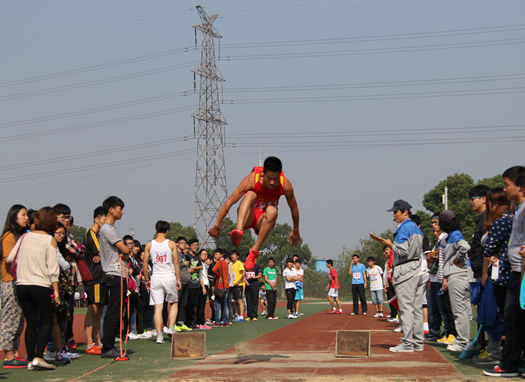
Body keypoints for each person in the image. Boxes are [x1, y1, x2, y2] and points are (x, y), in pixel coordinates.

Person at [208, 156, 301, 269]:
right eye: (269, 178)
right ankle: (239, 230)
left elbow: (294, 207)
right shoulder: (251, 179)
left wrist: (296, 229)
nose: (272, 182)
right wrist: (217, 225)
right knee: (251, 194)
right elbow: (230, 201)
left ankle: (254, 251)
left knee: (272, 210)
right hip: (248, 216)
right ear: (262, 175)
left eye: (275, 179)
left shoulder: (285, 184)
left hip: (263, 222)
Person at [484, 166, 525, 377]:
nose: (505, 189)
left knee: (513, 319)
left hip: (520, 272)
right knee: (512, 319)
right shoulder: (519, 210)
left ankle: (510, 364)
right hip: (515, 270)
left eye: (507, 185)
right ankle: (512, 361)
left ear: (520, 186)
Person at [7, 207, 60, 370]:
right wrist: (56, 290)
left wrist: (16, 273)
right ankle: (39, 356)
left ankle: (30, 360)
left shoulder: (25, 237)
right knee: (46, 321)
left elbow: (9, 259)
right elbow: (53, 269)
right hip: (41, 285)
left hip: (22, 285)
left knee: (30, 323)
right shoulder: (50, 240)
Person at [371, 200, 425, 353]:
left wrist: (389, 244)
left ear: (405, 212)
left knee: (406, 308)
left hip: (405, 269)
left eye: (396, 212)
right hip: (417, 268)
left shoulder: (404, 228)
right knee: (416, 308)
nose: (394, 215)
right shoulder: (415, 227)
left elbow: (402, 251)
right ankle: (418, 342)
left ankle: (408, 343)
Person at [475, 188, 512, 365]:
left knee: (495, 314)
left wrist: (484, 274)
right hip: (506, 273)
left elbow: (488, 251)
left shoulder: (501, 222)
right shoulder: (511, 219)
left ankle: (497, 353)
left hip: (500, 275)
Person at [99, 196, 131, 359]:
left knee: (117, 311)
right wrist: (125, 250)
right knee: (114, 311)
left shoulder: (111, 229)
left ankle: (109, 345)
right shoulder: (107, 229)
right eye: (120, 208)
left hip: (118, 274)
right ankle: (107, 347)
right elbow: (125, 250)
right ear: (111, 209)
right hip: (114, 273)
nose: (122, 211)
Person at [142, 220, 182, 344]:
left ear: (155, 230)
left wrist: (147, 278)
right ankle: (170, 328)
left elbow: (144, 263)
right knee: (174, 303)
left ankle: (159, 335)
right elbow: (176, 262)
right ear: (167, 231)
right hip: (169, 276)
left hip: (156, 277)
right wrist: (178, 278)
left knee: (158, 307)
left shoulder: (149, 244)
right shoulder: (171, 244)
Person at [0, 205, 29, 369]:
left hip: (20, 282)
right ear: (14, 217)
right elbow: (10, 259)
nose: (27, 218)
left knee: (18, 320)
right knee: (10, 320)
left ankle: (15, 353)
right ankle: (8, 355)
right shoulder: (8, 236)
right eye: (23, 215)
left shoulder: (21, 235)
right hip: (10, 282)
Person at [439, 210, 472, 353]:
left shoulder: (455, 235)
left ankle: (462, 341)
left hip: (457, 275)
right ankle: (463, 339)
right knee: (461, 310)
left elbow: (465, 247)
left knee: (459, 311)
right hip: (457, 275)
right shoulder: (452, 235)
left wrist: (457, 258)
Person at [83, 206, 107, 355]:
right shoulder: (91, 234)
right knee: (93, 310)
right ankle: (90, 343)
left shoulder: (99, 236)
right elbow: (103, 252)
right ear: (96, 219)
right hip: (94, 278)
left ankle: (98, 341)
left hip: (101, 277)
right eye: (104, 220)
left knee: (99, 311)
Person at [212, 250, 229, 326]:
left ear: (221, 255)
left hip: (220, 285)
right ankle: (226, 321)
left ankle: (218, 321)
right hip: (226, 285)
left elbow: (213, 270)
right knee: (225, 304)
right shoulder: (225, 263)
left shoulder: (219, 262)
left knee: (217, 303)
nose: (215, 255)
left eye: (217, 254)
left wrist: (218, 276)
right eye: (215, 254)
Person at [382, 246, 398, 322]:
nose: (386, 252)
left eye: (387, 249)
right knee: (390, 299)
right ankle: (393, 314)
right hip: (388, 282)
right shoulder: (387, 262)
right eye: (385, 250)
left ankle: (396, 315)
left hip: (394, 282)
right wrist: (385, 285)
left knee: (394, 299)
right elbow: (387, 273)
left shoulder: (394, 258)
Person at [230, 251, 246, 322]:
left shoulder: (239, 263)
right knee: (235, 300)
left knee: (239, 300)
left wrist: (238, 281)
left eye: (234, 255)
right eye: (232, 255)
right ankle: (237, 314)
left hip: (239, 285)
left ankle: (241, 316)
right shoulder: (231, 264)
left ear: (237, 256)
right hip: (232, 285)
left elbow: (243, 273)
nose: (232, 256)